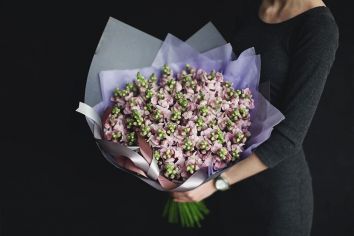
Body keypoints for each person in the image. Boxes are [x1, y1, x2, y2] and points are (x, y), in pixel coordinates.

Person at [172, 0, 339, 235]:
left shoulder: (318, 27)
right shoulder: (251, 7)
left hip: (273, 196)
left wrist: (217, 183)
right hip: (225, 186)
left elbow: (289, 137)